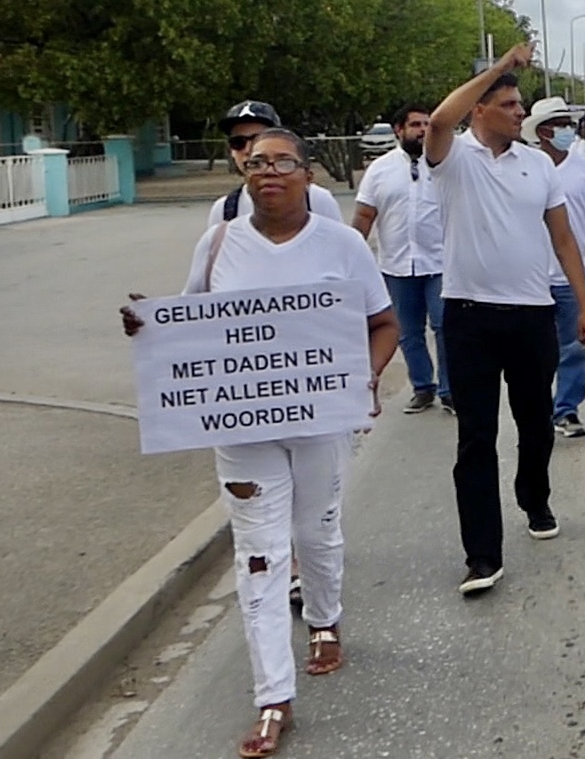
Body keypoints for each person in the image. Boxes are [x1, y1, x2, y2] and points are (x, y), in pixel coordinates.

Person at [122, 128, 397, 758]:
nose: (266, 170)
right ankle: (274, 696)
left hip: (321, 422)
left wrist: (367, 378)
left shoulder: (342, 244)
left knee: (317, 529)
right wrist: (148, 325)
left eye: (281, 161)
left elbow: (384, 323)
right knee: (259, 555)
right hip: (242, 432)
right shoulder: (220, 243)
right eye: (255, 161)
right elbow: (188, 324)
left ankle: (324, 622)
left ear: (308, 174)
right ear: (244, 173)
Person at [425, 44, 585, 596]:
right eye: (508, 104)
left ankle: (536, 498)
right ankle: (482, 554)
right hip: (468, 317)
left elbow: (563, 236)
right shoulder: (452, 159)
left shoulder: (537, 167)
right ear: (480, 108)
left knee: (533, 422)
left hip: (532, 314)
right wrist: (498, 67)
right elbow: (437, 120)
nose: (520, 114)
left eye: (521, 106)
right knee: (476, 437)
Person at [525, 98, 585, 439]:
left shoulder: (584, 171)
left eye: (569, 122)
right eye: (561, 123)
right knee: (535, 352)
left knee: (576, 345)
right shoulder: (526, 168)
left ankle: (566, 409)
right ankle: (536, 409)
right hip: (530, 277)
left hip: (575, 276)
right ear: (543, 131)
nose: (568, 129)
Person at [351, 104, 451, 415]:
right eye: (416, 125)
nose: (423, 130)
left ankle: (450, 391)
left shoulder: (445, 165)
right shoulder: (380, 170)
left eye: (427, 124)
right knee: (407, 332)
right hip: (396, 265)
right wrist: (351, 258)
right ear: (399, 130)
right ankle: (423, 387)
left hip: (440, 263)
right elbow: (365, 215)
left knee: (445, 326)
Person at [211, 101, 344, 226]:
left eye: (259, 139)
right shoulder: (224, 210)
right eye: (238, 142)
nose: (248, 150)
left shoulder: (316, 199)